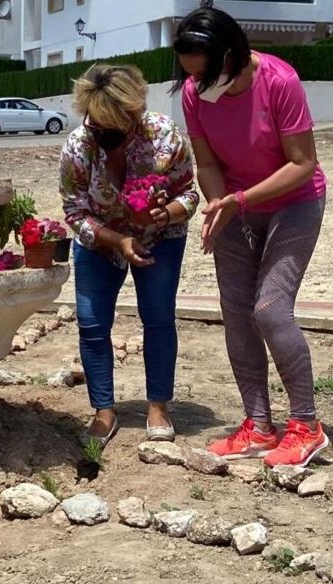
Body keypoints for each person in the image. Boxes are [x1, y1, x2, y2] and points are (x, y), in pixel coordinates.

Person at [173, 7, 329, 467]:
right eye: (191, 75)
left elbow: (302, 163)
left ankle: (306, 426)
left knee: (270, 308)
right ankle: (258, 425)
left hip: (293, 203)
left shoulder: (279, 81)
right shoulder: (193, 92)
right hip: (236, 206)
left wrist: (238, 201)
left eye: (206, 73)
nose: (200, 85)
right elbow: (207, 163)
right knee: (237, 311)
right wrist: (218, 204)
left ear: (232, 54)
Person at [60, 64, 199, 446]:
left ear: (134, 114)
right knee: (91, 323)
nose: (104, 134)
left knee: (157, 318)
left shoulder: (164, 136)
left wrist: (165, 212)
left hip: (160, 237)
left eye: (115, 127)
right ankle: (103, 411)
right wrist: (115, 240)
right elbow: (73, 209)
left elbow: (189, 193)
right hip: (100, 241)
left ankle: (158, 406)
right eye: (96, 124)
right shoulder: (79, 145)